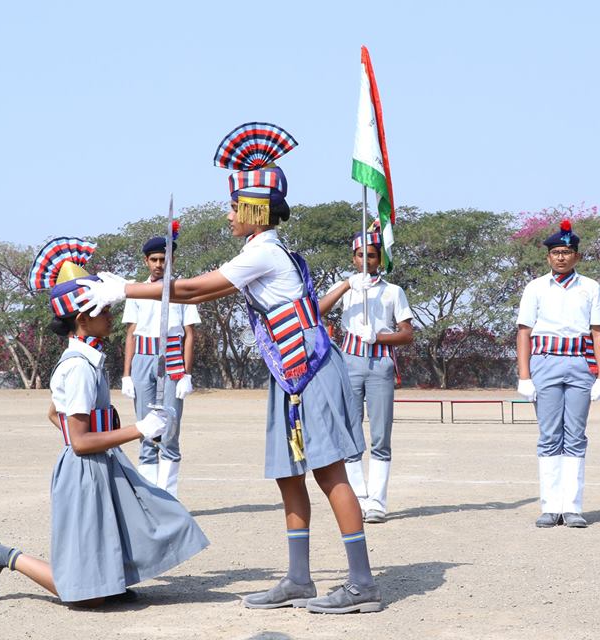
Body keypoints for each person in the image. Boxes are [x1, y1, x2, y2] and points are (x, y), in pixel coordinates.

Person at [76, 123, 382, 614]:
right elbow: (214, 290)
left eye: (234, 206)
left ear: (255, 208)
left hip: (310, 371)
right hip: (288, 372)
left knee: (328, 473)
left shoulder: (264, 252)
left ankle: (363, 583)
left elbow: (196, 289)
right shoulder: (258, 253)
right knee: (289, 473)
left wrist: (124, 289)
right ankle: (299, 578)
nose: (228, 214)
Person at [0, 238, 208, 606]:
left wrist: (101, 435)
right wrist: (140, 429)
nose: (111, 317)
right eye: (105, 311)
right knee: (79, 596)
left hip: (100, 463)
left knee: (134, 541)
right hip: (84, 468)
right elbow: (80, 442)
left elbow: (55, 414)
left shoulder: (86, 359)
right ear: (82, 319)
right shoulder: (79, 367)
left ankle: (105, 580)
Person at [515, 220, 600, 529]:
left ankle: (572, 507)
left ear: (576, 257)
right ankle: (550, 506)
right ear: (547, 257)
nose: (560, 257)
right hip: (546, 362)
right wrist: (524, 376)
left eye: (567, 252)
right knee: (550, 435)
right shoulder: (536, 287)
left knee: (576, 435)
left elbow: (597, 333)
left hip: (580, 363)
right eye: (555, 252)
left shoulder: (590, 287)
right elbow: (524, 332)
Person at [318, 223, 414, 524]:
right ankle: (358, 496)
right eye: (360, 255)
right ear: (353, 258)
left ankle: (377, 501)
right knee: (349, 430)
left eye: (371, 255)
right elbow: (317, 311)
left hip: (380, 363)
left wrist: (380, 337)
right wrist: (347, 286)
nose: (365, 261)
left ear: (380, 259)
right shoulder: (347, 288)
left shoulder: (393, 292)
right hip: (348, 362)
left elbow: (407, 333)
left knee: (381, 434)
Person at [121, 235, 199, 497]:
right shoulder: (136, 291)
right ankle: (149, 498)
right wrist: (127, 374)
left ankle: (169, 498)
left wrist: (187, 373)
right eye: (153, 260)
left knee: (170, 428)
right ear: (146, 261)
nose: (158, 264)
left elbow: (190, 334)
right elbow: (131, 333)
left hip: (173, 360)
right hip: (143, 358)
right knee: (145, 428)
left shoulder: (182, 289)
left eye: (163, 259)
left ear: (171, 261)